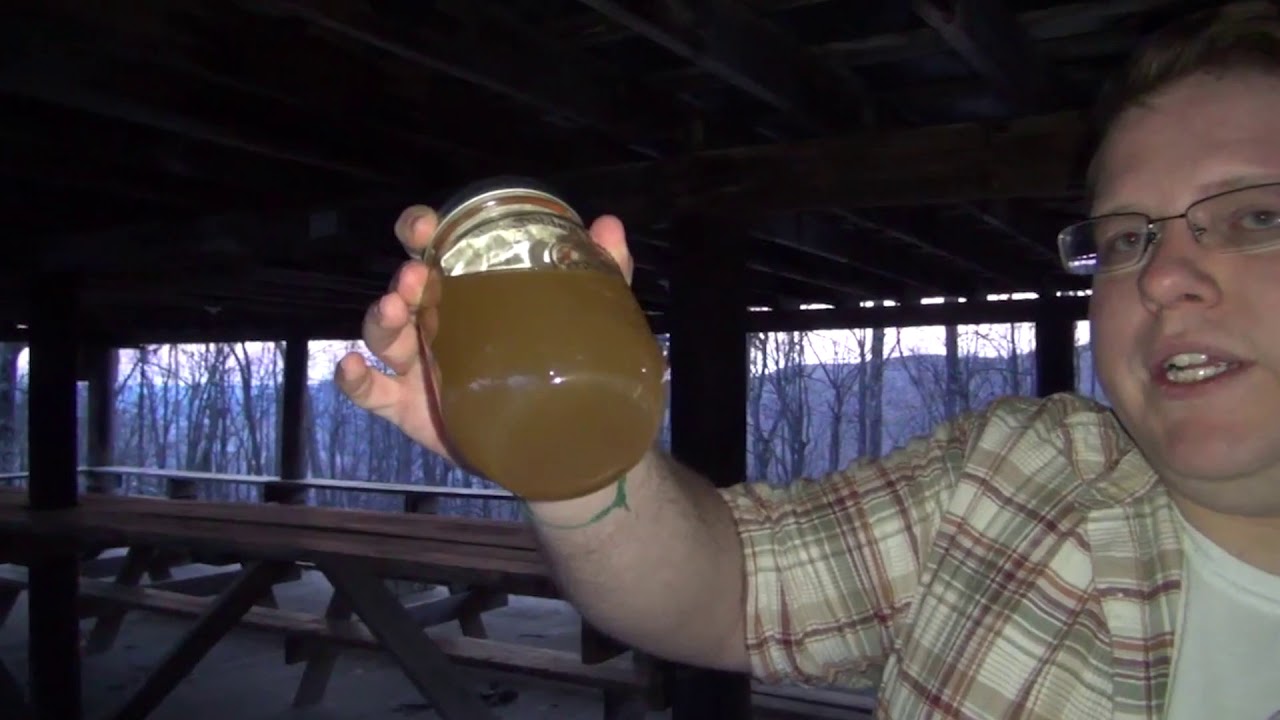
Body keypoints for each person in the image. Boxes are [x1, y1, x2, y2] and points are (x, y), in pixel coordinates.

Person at [335, 4, 1280, 717]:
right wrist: (571, 460)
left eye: (1256, 216)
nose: (1163, 277)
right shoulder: (1020, 482)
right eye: (1126, 239)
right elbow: (722, 592)